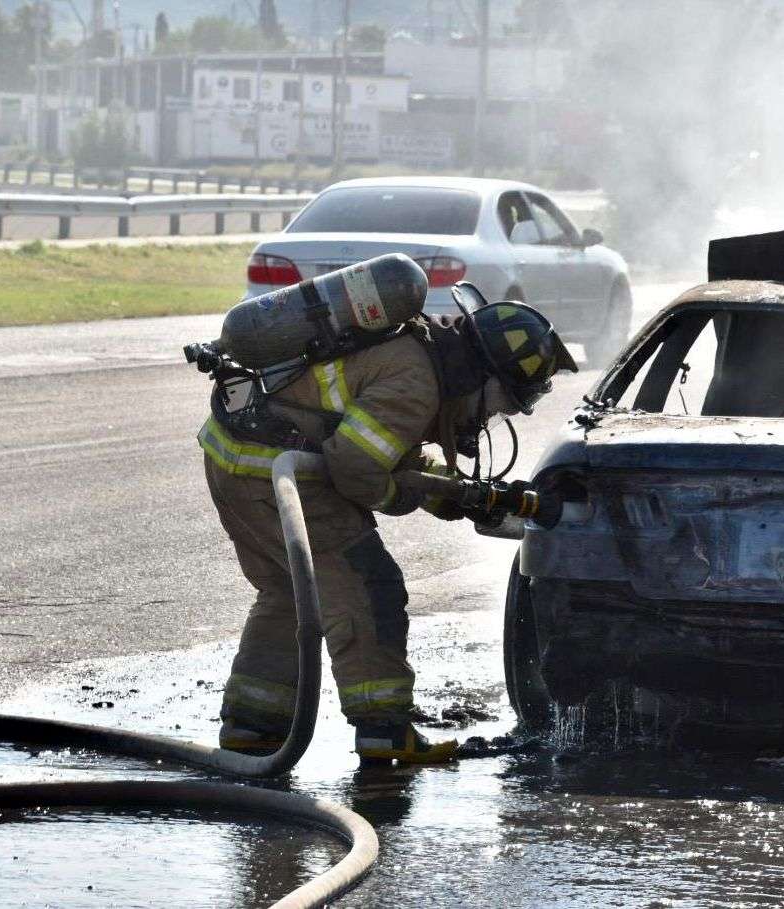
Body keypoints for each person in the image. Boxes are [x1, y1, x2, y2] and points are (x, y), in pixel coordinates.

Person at [199, 285, 577, 764]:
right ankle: (385, 731)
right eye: (501, 404)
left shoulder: (416, 353)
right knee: (368, 586)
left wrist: (452, 496)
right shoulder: (416, 379)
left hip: (234, 461)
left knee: (287, 593)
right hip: (282, 475)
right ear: (485, 377)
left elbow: (385, 448)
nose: (493, 417)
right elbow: (356, 468)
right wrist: (410, 496)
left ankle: (252, 726)